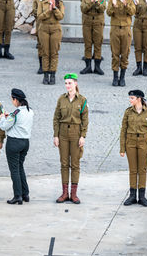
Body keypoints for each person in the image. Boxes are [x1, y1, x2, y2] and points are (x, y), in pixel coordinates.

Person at [53, 73, 88, 204]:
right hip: (63, 133)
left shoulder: (82, 100)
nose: (68, 86)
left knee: (75, 163)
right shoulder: (61, 99)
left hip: (75, 133)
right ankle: (64, 193)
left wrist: (83, 136)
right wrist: (55, 135)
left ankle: (74, 194)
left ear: (75, 84)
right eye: (66, 83)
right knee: (64, 164)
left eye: (70, 83)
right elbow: (56, 118)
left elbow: (85, 120)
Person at [120, 90, 147, 207]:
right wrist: (122, 148)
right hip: (130, 142)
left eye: (132, 98)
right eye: (130, 98)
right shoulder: (128, 112)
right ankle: (132, 195)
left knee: (142, 169)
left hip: (143, 143)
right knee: (133, 169)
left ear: (139, 99)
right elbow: (123, 130)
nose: (130, 100)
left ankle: (141, 196)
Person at [0, 89, 34, 205]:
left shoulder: (15, 113)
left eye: (12, 99)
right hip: (25, 142)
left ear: (15, 99)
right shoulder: (30, 111)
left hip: (14, 143)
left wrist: (2, 117)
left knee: (14, 170)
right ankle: (25, 193)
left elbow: (4, 126)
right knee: (20, 167)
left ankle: (17, 195)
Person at [107, 0, 135, 87]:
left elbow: (132, 12)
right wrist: (114, 6)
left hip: (126, 29)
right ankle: (115, 77)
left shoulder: (130, 0)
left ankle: (122, 77)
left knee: (125, 53)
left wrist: (126, 5)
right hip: (115, 29)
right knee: (115, 54)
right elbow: (108, 12)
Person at [37, 0, 64, 85]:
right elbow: (39, 16)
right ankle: (45, 75)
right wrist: (48, 11)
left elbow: (61, 16)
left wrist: (55, 9)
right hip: (44, 28)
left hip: (55, 29)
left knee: (54, 52)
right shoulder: (42, 2)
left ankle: (52, 74)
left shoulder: (59, 2)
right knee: (45, 52)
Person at [80, 0, 106, 75]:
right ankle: (88, 66)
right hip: (87, 22)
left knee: (98, 44)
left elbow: (102, 9)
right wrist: (91, 2)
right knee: (87, 44)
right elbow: (83, 9)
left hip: (98, 22)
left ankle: (97, 67)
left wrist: (97, 1)